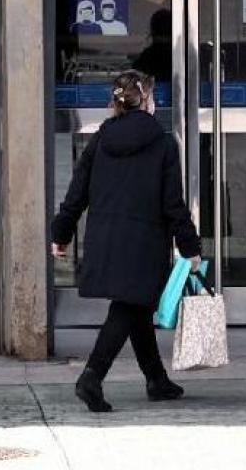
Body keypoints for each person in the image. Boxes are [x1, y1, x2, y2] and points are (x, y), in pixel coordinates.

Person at [50, 70, 202, 413]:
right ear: (147, 100)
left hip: (104, 238)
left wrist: (61, 233)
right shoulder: (163, 143)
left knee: (137, 306)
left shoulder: (100, 140)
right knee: (129, 307)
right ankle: (92, 376)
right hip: (144, 240)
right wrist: (190, 247)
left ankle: (156, 379)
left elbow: (77, 193)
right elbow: (172, 203)